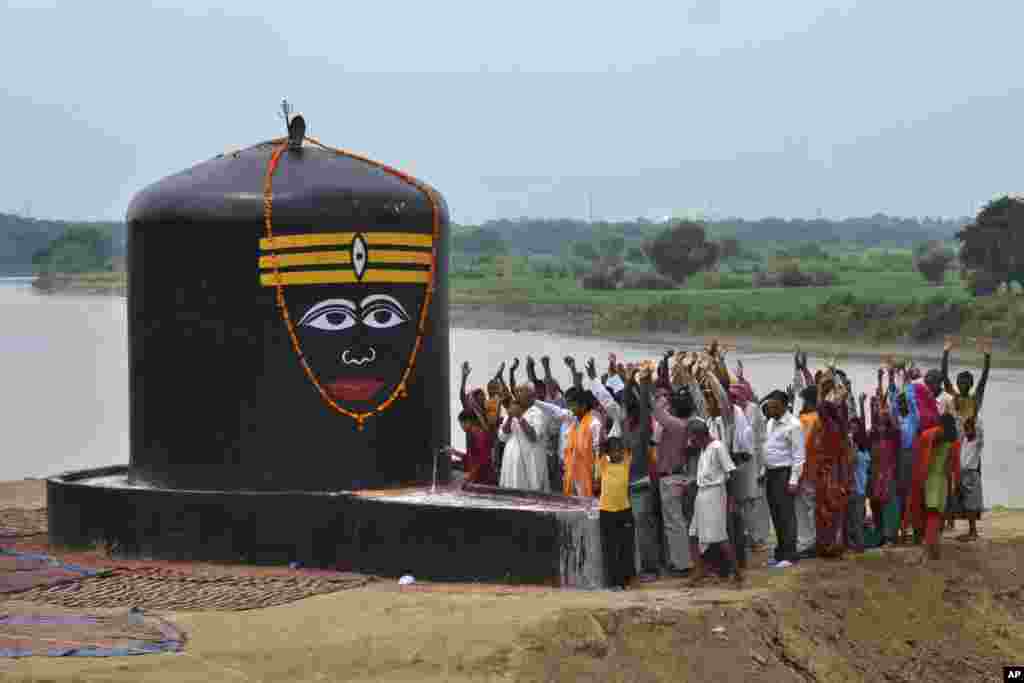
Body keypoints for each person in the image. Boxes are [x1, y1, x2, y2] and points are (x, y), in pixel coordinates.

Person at [685, 419, 743, 587]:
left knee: (719, 536)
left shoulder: (717, 447)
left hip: (715, 494)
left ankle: (736, 570)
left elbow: (731, 473)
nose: (691, 442)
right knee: (693, 533)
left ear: (700, 436)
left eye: (693, 438)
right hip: (702, 494)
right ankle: (699, 570)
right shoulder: (703, 449)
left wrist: (731, 500)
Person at [651, 372, 697, 576]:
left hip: (670, 478)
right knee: (682, 521)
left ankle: (682, 564)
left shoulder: (676, 425)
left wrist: (663, 398)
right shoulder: (691, 423)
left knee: (674, 523)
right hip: (681, 476)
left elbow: (657, 412)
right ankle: (686, 560)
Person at [904, 413, 960, 560]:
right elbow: (952, 465)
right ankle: (933, 548)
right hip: (942, 481)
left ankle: (929, 549)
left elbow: (922, 455)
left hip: (931, 479)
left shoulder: (932, 435)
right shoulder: (951, 439)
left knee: (931, 514)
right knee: (935, 516)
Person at [761, 390, 805, 568]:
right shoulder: (771, 422)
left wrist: (794, 480)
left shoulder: (794, 425)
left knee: (786, 515)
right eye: (769, 405)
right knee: (776, 514)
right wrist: (763, 470)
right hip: (771, 473)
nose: (770, 408)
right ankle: (780, 554)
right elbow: (768, 447)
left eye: (773, 405)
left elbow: (799, 455)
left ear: (783, 405)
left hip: (784, 473)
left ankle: (790, 554)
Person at [596, 436, 635, 590]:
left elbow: (628, 447)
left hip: (624, 510)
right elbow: (600, 449)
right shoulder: (603, 464)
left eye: (619, 450)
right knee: (611, 548)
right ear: (608, 453)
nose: (617, 454)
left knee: (625, 546)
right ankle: (614, 582)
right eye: (613, 451)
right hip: (606, 511)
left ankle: (626, 580)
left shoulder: (626, 463)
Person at [497, 384, 549, 491]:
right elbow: (502, 436)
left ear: (531, 396)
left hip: (531, 463)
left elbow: (533, 437)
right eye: (517, 392)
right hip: (511, 462)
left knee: (531, 495)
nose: (517, 395)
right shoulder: (512, 411)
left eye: (521, 392)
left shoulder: (538, 413)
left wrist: (520, 417)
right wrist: (510, 417)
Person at [795, 385, 820, 558]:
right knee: (807, 507)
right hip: (808, 468)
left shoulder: (809, 419)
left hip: (806, 469)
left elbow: (802, 445)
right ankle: (809, 541)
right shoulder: (813, 417)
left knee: (806, 507)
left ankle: (809, 542)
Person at [447, 409, 497, 485]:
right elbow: (472, 458)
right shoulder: (474, 435)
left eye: (461, 423)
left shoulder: (480, 436)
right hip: (478, 479)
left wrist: (471, 474)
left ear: (468, 422)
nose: (461, 426)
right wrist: (455, 452)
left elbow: (483, 460)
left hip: (484, 481)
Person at [955, 416, 984, 542]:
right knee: (966, 506)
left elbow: (980, 430)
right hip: (963, 475)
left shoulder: (977, 442)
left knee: (971, 506)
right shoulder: (964, 441)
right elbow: (960, 427)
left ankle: (973, 532)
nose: (967, 432)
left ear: (974, 429)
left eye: (969, 429)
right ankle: (971, 531)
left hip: (971, 475)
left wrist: (976, 419)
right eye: (966, 429)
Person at [848, 403, 871, 553]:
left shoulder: (859, 448)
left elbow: (853, 461)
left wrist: (851, 445)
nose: (851, 430)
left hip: (857, 487)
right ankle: (857, 544)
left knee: (856, 519)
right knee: (855, 518)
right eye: (850, 427)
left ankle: (860, 545)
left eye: (854, 428)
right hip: (856, 487)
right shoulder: (863, 449)